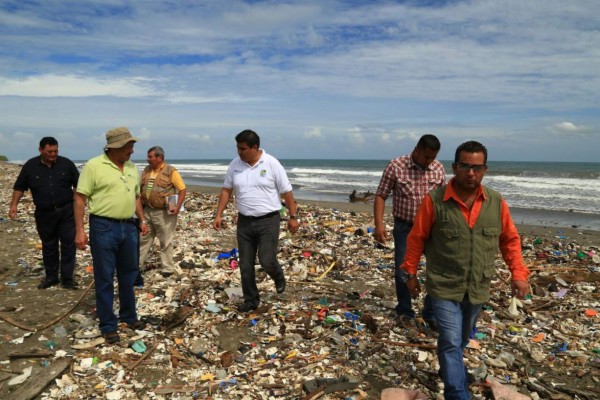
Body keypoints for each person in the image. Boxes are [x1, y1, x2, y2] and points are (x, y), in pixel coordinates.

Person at [401, 140, 531, 399]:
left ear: (485, 170)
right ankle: (457, 392)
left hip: (477, 287)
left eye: (476, 167)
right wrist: (411, 273)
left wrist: (518, 273)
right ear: (454, 167)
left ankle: (451, 369)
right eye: (464, 166)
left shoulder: (495, 202)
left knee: (460, 339)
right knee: (449, 339)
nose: (470, 173)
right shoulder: (435, 201)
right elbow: (416, 238)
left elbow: (509, 240)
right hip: (443, 285)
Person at [74, 127, 149, 344]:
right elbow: (80, 199)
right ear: (116, 146)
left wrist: (142, 219)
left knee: (129, 275)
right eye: (129, 146)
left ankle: (129, 316)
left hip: (129, 226)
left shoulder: (133, 168)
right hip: (103, 227)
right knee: (105, 277)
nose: (132, 150)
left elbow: (135, 196)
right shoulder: (94, 166)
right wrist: (79, 231)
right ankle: (108, 325)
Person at [212, 129, 299, 312]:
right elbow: (226, 190)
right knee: (245, 264)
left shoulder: (271, 163)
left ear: (254, 147)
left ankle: (278, 276)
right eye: (237, 148)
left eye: (243, 149)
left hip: (268, 221)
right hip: (244, 222)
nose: (239, 152)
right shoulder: (235, 165)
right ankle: (251, 300)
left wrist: (293, 217)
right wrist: (219, 214)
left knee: (266, 260)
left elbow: (287, 192)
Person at [373, 134, 445, 328]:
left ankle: (430, 312)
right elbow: (381, 195)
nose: (430, 161)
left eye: (433, 157)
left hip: (432, 228)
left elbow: (443, 201)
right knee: (403, 270)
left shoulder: (438, 169)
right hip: (405, 227)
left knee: (436, 271)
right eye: (426, 157)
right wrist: (379, 224)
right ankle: (405, 310)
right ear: (416, 150)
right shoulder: (396, 166)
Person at [9, 137, 80, 289]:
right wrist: (14, 205)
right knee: (49, 245)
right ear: (41, 150)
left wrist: (77, 204)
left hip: (66, 211)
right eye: (49, 151)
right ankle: (51, 277)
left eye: (55, 151)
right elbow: (20, 187)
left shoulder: (66, 164)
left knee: (68, 244)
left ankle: (67, 279)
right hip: (44, 214)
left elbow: (79, 186)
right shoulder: (30, 166)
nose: (53, 154)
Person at [137, 146, 187, 282]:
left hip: (164, 212)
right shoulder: (146, 171)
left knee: (165, 240)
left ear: (160, 158)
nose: (148, 159)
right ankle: (137, 266)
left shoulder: (171, 171)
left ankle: (168, 268)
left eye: (150, 157)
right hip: (147, 210)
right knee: (143, 239)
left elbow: (182, 189)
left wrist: (177, 206)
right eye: (148, 156)